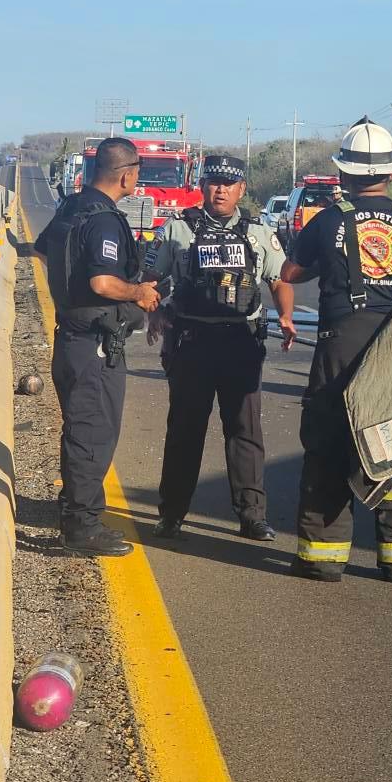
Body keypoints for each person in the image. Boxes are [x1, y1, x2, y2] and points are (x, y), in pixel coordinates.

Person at [281, 116, 392, 584]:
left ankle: (322, 557)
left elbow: (291, 273)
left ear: (344, 174)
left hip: (341, 346)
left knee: (331, 443)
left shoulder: (328, 220)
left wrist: (333, 266)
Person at [143, 155, 297, 541]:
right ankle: (172, 514)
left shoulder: (259, 232)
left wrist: (286, 316)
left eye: (229, 184)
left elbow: (279, 279)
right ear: (203, 186)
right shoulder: (177, 229)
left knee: (245, 432)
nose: (221, 190)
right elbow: (151, 279)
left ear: (242, 189)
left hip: (240, 344)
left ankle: (252, 516)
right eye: (213, 182)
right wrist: (155, 311)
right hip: (192, 343)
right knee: (184, 432)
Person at [34, 138, 160, 557]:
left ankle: (76, 513)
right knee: (93, 434)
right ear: (126, 173)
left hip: (72, 336)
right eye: (138, 171)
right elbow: (102, 283)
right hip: (93, 345)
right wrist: (138, 292)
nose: (137, 178)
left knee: (81, 430)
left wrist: (68, 296)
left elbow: (43, 251)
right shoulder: (105, 220)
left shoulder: (72, 207)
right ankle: (81, 527)